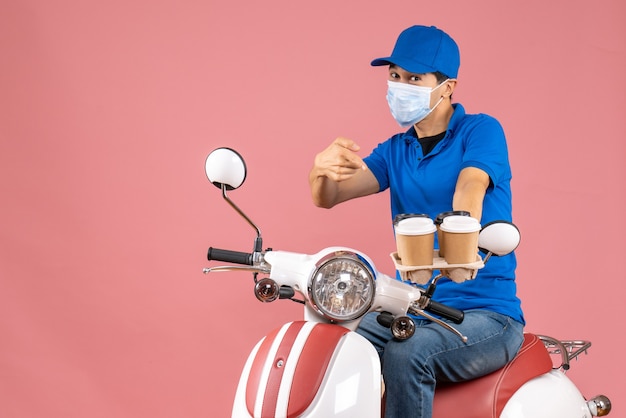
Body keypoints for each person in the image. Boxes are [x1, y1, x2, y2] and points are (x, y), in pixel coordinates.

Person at [308, 25, 525, 418]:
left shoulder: (480, 130)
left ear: (447, 86)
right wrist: (320, 170)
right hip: (418, 308)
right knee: (339, 340)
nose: (400, 86)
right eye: (394, 76)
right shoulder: (395, 150)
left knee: (410, 351)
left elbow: (471, 186)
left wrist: (460, 234)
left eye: (414, 78)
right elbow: (329, 197)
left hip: (487, 315)